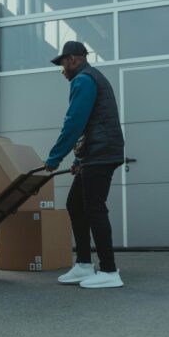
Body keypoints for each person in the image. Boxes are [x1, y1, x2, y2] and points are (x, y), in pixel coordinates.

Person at [44, 41, 125, 289]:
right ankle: (83, 264)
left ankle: (109, 270)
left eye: (63, 63)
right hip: (97, 152)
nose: (62, 70)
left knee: (94, 208)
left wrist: (54, 158)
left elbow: (75, 121)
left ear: (74, 59)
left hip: (102, 153)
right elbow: (90, 124)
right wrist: (78, 160)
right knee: (75, 205)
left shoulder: (84, 80)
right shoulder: (90, 78)